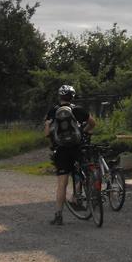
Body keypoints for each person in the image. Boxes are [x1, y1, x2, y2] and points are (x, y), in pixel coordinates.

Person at [44, 84, 96, 226]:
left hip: (61, 149)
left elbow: (47, 133)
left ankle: (58, 215)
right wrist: (83, 132)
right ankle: (77, 196)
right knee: (81, 171)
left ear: (60, 97)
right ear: (72, 97)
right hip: (77, 147)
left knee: (62, 183)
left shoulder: (53, 111)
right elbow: (93, 123)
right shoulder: (77, 109)